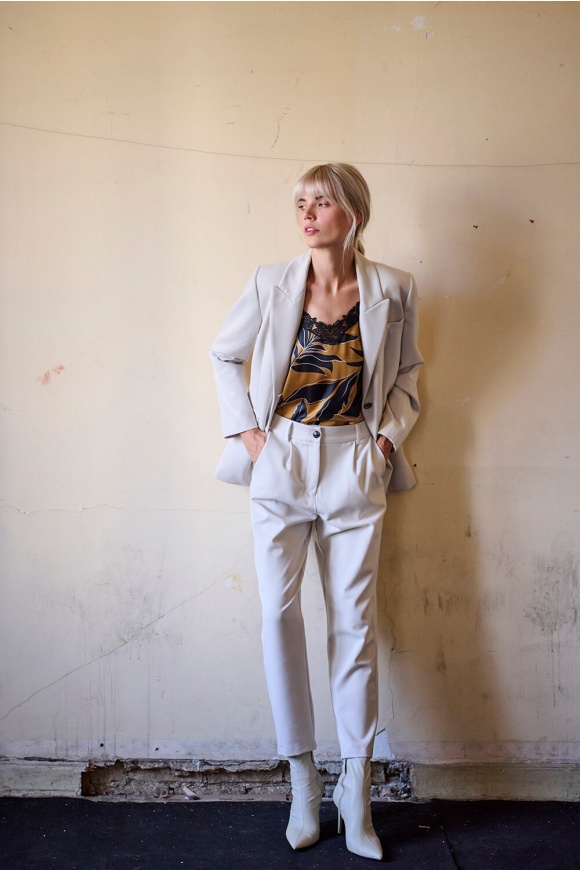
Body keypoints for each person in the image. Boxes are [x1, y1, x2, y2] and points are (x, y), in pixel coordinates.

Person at [210, 163, 423, 859]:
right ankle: (303, 780)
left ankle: (355, 790)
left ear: (353, 214)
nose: (307, 214)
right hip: (283, 459)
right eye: (301, 202)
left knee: (354, 625)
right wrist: (251, 436)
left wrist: (386, 442)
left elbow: (409, 374)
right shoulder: (270, 282)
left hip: (355, 462)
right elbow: (224, 356)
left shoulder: (393, 288)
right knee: (278, 615)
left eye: (321, 203)